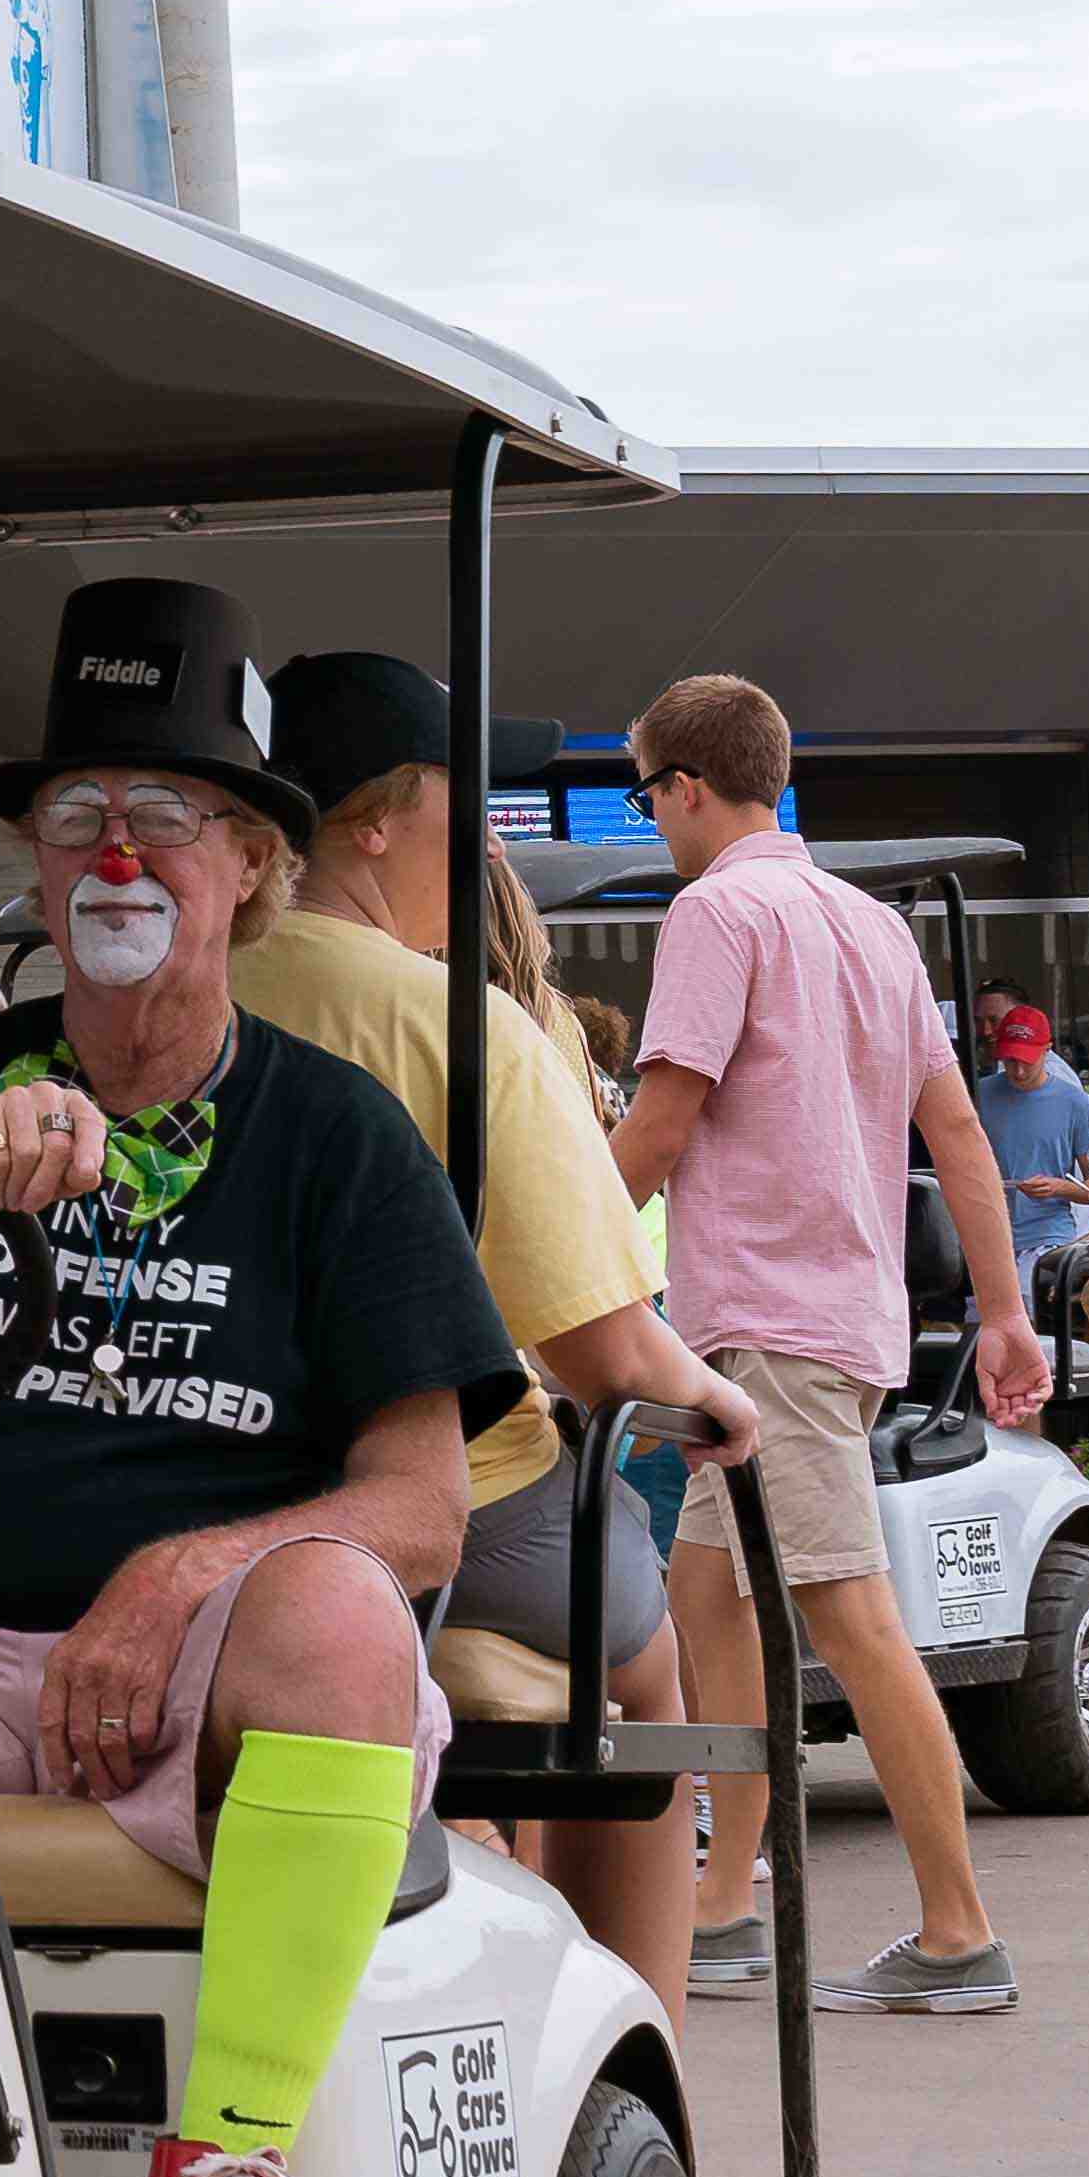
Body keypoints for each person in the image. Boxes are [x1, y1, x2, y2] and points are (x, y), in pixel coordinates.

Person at [0, 580, 518, 2177]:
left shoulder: (333, 1131)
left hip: (199, 1683)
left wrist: (180, 1568)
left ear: (253, 870)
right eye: (76, 813)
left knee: (346, 1599)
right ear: (32, 857)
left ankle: (226, 2172)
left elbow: (423, 1502)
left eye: (168, 816)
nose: (118, 850)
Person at [234, 656, 762, 2050]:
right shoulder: (453, 1020)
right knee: (641, 1672)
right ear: (369, 820)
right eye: (462, 803)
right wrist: (712, 1393)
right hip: (427, 1511)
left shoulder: (168, 1000)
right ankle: (638, 2094)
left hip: (182, 1483)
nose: (482, 839)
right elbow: (605, 1352)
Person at [607, 671, 1048, 2018]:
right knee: (711, 1597)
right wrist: (1002, 1303)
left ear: (685, 784)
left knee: (847, 1614)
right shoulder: (869, 921)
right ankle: (728, 1902)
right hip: (834, 1313)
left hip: (760, 1320)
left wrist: (535, 1267)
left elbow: (664, 1119)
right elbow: (957, 1130)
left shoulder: (713, 908)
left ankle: (958, 1931)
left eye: (645, 793)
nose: (651, 819)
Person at [972, 1000, 1089, 1275]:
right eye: (1010, 1061)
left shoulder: (1075, 1102)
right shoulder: (978, 1095)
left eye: (1027, 1061)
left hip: (1048, 1240)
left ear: (1047, 1051)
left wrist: (1060, 1188)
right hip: (986, 1238)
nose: (1018, 1072)